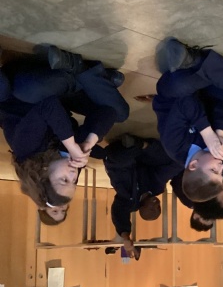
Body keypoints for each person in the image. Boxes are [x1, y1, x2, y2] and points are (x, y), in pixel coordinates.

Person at [0, 46, 129, 219]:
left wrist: (70, 143)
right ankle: (88, 75)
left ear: (44, 173)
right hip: (58, 97)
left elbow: (48, 106)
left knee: (37, 88)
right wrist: (89, 141)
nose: (73, 175)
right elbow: (108, 113)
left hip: (22, 94)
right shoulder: (68, 162)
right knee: (120, 113)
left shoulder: (26, 149)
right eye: (74, 182)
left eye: (64, 180)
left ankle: (91, 76)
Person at [152, 37, 223, 202]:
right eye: (221, 173)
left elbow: (184, 102)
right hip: (206, 95)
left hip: (175, 93)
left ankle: (200, 62)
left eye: (214, 170)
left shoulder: (174, 145)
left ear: (193, 165)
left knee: (181, 86)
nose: (221, 166)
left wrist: (207, 132)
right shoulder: (217, 151)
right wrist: (221, 133)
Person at [104, 134, 183, 258]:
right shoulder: (156, 188)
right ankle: (139, 144)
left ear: (141, 208)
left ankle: (131, 146)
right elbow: (165, 172)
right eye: (158, 207)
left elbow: (118, 212)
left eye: (152, 209)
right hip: (141, 158)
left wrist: (125, 236)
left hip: (122, 164)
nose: (156, 204)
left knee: (119, 157)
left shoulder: (129, 201)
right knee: (174, 159)